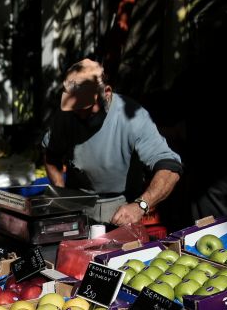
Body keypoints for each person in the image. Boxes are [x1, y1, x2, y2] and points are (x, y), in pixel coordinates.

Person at [42, 58, 183, 226]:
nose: (80, 114)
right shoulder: (66, 116)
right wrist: (61, 194)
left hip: (124, 206)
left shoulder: (133, 117)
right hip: (78, 205)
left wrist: (140, 206)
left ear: (106, 93)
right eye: (75, 107)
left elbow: (170, 168)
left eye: (86, 107)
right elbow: (51, 153)